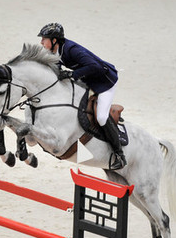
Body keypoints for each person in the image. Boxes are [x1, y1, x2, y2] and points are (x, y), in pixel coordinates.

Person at [38, 22, 127, 170]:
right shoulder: (55, 51)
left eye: (44, 38)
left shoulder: (72, 50)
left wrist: (72, 74)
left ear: (54, 40)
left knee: (101, 117)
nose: (41, 42)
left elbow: (94, 66)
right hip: (88, 80)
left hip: (105, 83)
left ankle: (119, 154)